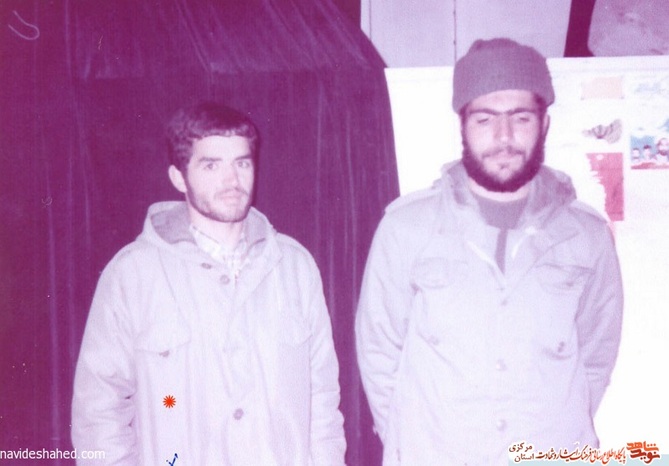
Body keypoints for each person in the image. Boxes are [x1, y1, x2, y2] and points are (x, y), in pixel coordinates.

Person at [356, 38, 623, 465]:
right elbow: (379, 355)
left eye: (521, 117)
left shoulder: (586, 236)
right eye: (485, 119)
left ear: (544, 124)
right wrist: (417, 445)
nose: (504, 137)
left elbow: (596, 356)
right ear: (462, 125)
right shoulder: (405, 229)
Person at [72, 102, 346, 465]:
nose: (232, 181)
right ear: (178, 177)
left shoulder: (295, 268)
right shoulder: (131, 276)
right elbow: (98, 414)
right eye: (211, 165)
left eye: (242, 163)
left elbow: (323, 402)